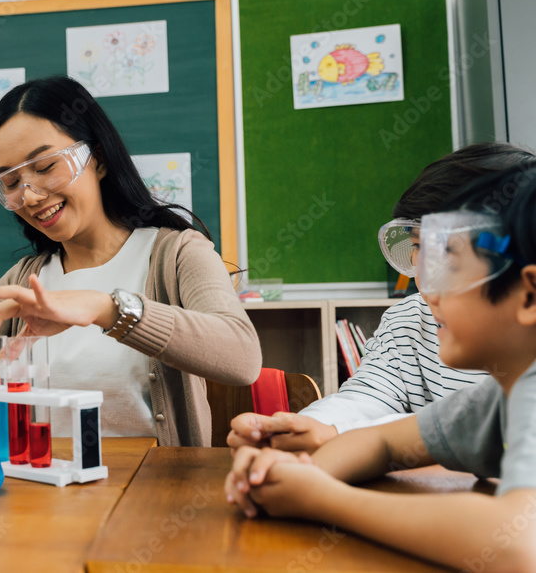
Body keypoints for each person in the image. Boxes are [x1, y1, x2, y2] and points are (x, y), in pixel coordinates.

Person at [0, 76, 262, 446]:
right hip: (37, 496)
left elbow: (241, 358)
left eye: (45, 166)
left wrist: (107, 309)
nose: (31, 195)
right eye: (12, 181)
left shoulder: (176, 253)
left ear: (95, 158)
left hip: (149, 498)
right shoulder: (25, 279)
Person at [225, 165, 536, 571]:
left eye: (450, 265)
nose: (428, 289)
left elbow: (517, 547)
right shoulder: (497, 400)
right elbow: (383, 441)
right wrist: (291, 472)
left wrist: (322, 498)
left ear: (529, 296)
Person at [228, 142, 536, 452]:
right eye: (418, 249)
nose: (427, 286)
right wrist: (310, 429)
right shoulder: (409, 320)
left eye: (449, 254)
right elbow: (367, 398)